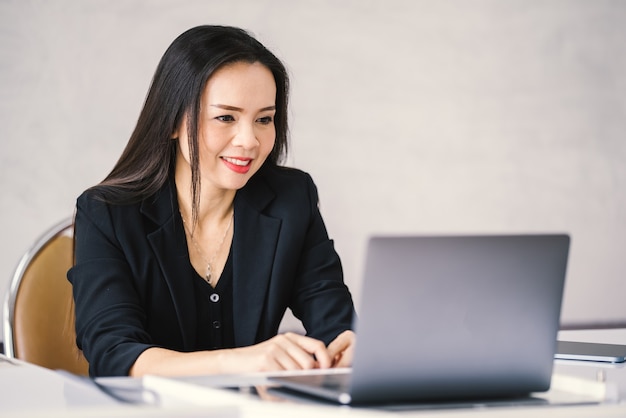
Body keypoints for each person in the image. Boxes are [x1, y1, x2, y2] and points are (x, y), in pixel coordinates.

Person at [68, 25, 356, 377]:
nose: (249, 141)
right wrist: (238, 362)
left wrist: (350, 346)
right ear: (172, 120)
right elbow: (113, 353)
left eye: (264, 119)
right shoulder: (106, 214)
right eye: (225, 117)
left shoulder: (292, 200)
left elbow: (335, 323)